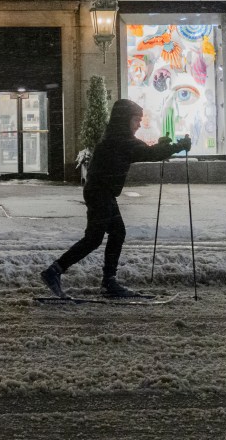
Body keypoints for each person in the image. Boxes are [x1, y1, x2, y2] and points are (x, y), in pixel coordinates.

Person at [41, 98, 190, 299]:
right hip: (100, 193)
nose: (138, 124)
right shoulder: (120, 140)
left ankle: (108, 281)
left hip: (102, 192)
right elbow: (146, 153)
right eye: (136, 120)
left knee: (117, 233)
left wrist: (162, 146)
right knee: (93, 239)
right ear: (125, 119)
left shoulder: (116, 136)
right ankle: (56, 271)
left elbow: (145, 150)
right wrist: (176, 146)